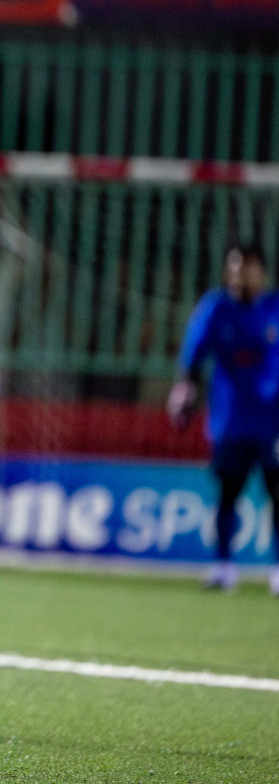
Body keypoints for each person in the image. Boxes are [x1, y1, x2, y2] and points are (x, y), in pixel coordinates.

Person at [168, 243, 279, 595]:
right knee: (228, 493)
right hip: (230, 420)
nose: (237, 275)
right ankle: (222, 566)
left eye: (244, 267)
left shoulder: (274, 309)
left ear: (260, 271)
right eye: (232, 268)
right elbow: (193, 352)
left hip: (272, 422)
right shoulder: (215, 307)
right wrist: (185, 386)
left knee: (278, 493)